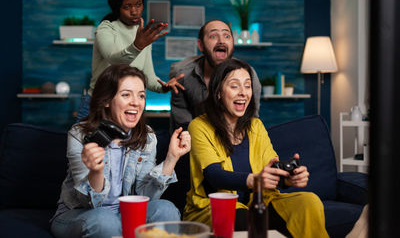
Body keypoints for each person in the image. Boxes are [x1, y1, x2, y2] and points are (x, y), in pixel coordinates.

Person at [183, 59, 329, 238]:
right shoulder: (199, 126)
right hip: (217, 208)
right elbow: (214, 175)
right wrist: (254, 180)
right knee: (243, 219)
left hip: (260, 202)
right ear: (218, 92)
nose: (243, 93)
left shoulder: (255, 126)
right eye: (234, 86)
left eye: (247, 86)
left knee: (309, 202)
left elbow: (272, 169)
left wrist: (289, 178)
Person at [51, 64, 190, 238]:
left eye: (141, 96)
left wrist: (171, 158)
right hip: (80, 214)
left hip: (126, 214)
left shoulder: (147, 137)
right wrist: (96, 170)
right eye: (126, 95)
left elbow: (145, 196)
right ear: (107, 100)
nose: (135, 102)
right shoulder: (79, 134)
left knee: (166, 209)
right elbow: (87, 203)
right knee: (106, 220)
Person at [76, 0, 184, 121]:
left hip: (129, 108)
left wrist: (164, 87)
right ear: (116, 7)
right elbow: (113, 58)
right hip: (99, 105)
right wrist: (137, 46)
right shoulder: (107, 28)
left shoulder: (142, 34)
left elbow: (147, 76)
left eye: (138, 4)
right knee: (88, 144)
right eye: (127, 7)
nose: (134, 11)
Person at [169, 20, 261, 132]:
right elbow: (182, 125)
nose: (221, 41)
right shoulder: (182, 74)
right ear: (201, 45)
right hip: (194, 141)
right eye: (213, 36)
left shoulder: (248, 75)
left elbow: (250, 119)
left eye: (227, 36)